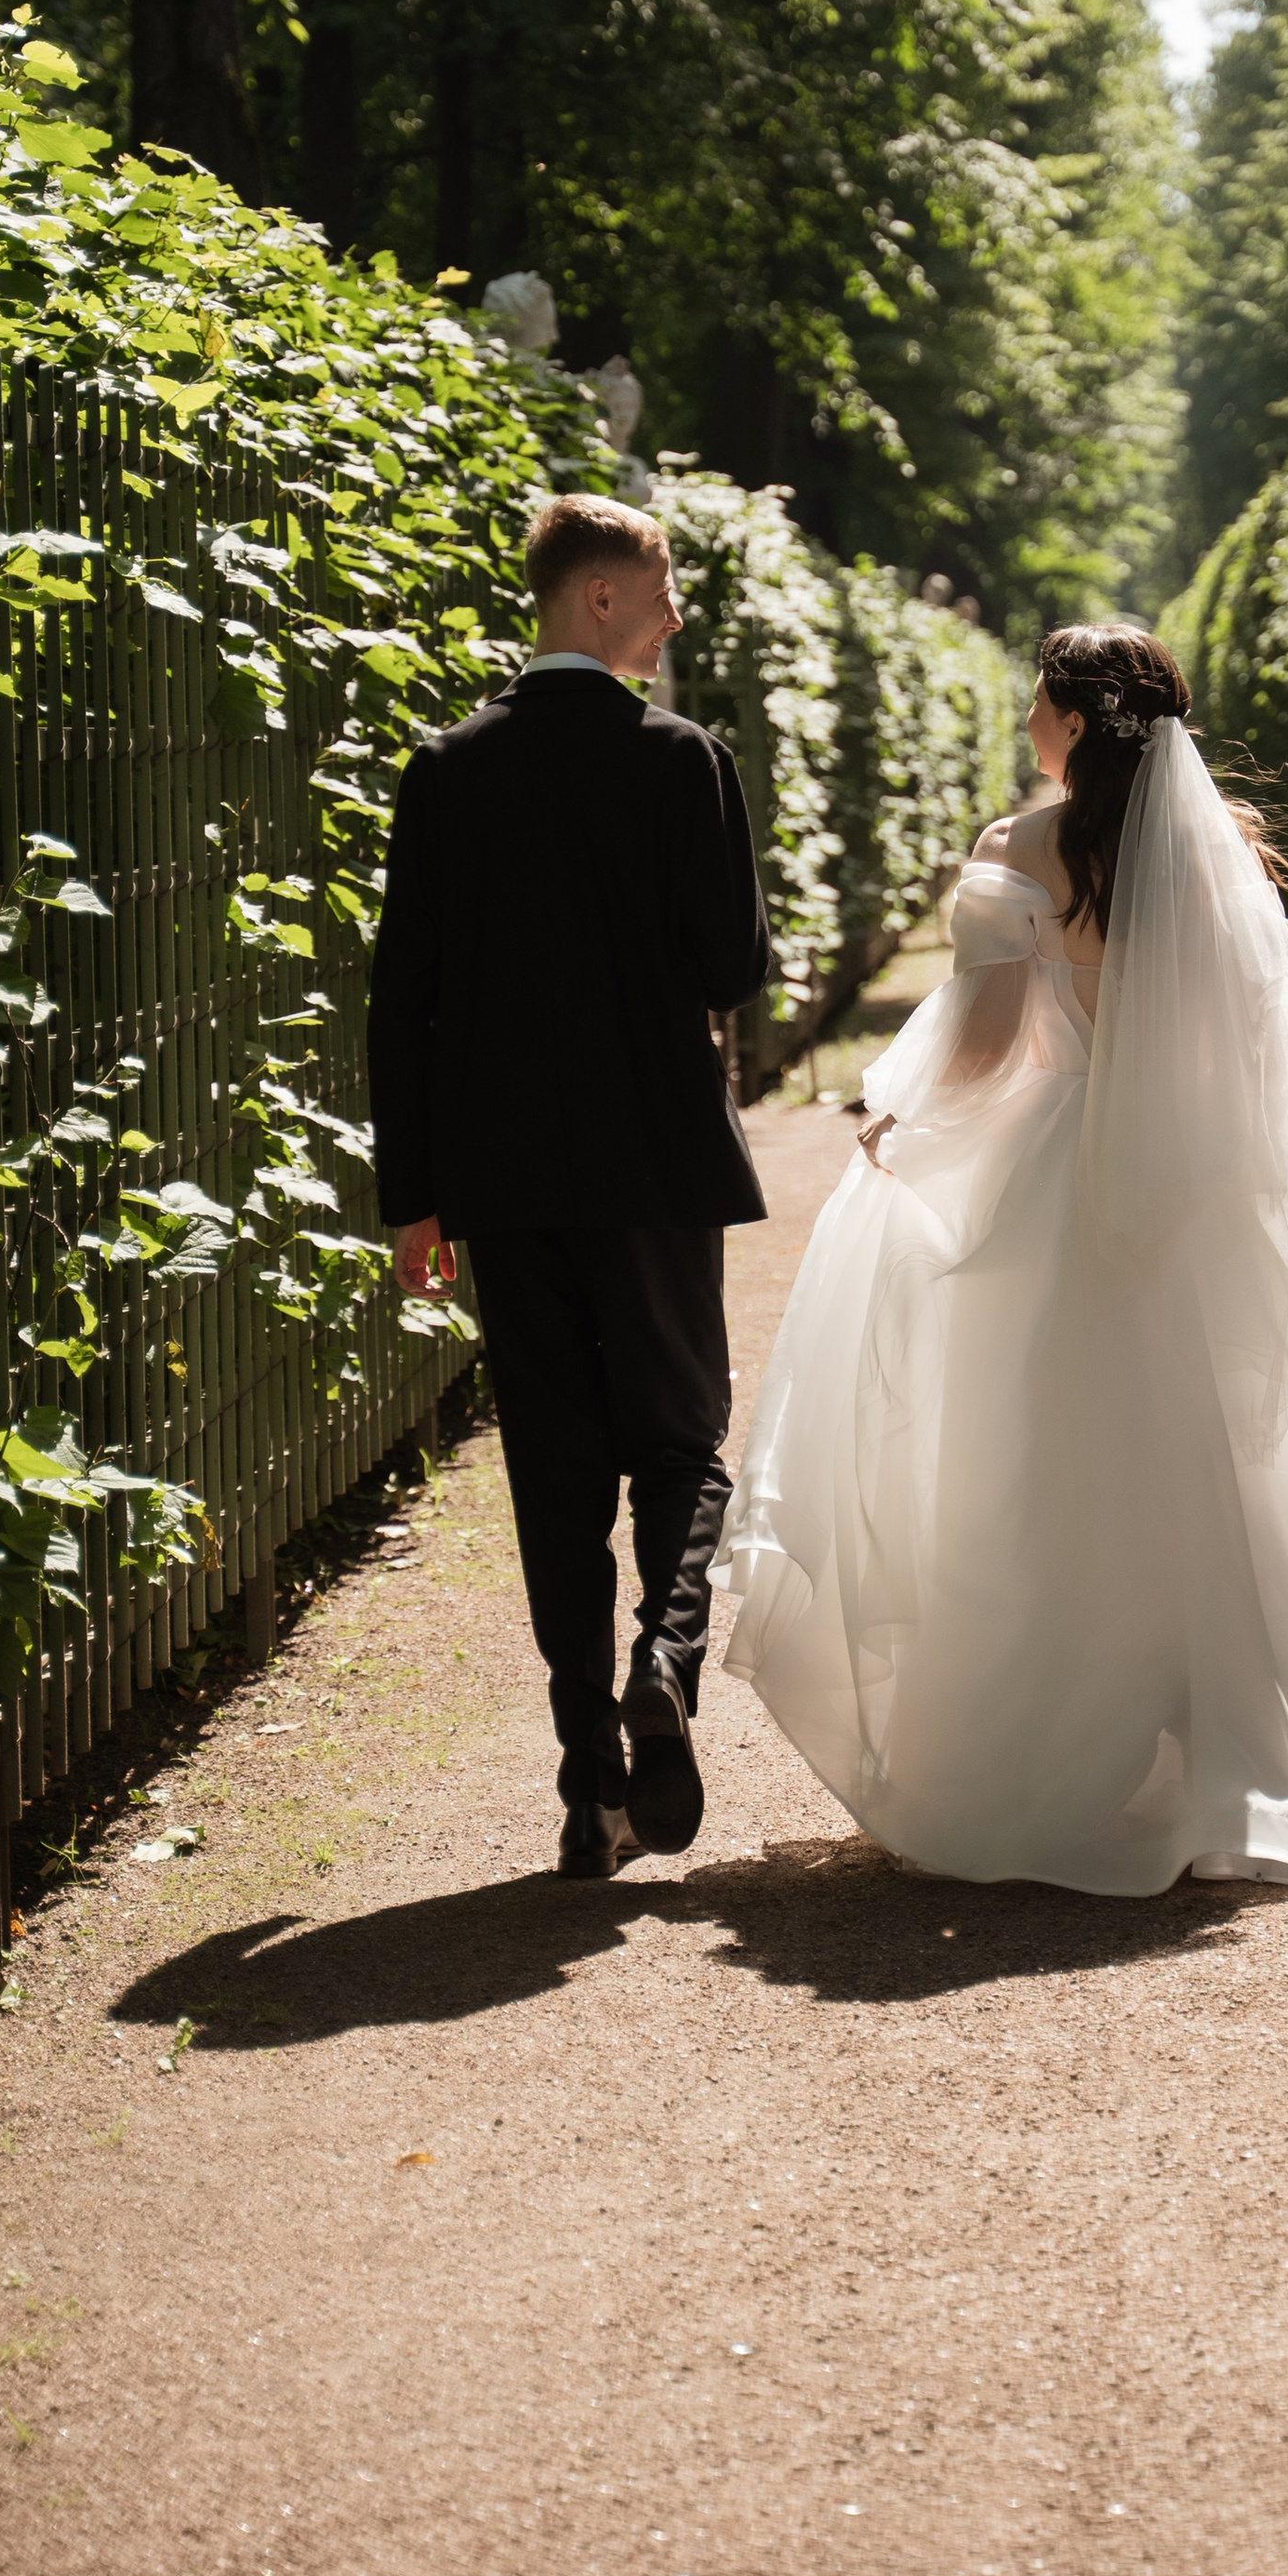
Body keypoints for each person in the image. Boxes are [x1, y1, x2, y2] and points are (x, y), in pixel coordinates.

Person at [713, 623, 1288, 1892]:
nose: (1029, 720)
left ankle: (1057, 1756)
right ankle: (1278, 1758)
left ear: (1077, 723)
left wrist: (899, 1122)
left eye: (1040, 702)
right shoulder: (1224, 856)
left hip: (1061, 1179)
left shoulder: (1014, 852)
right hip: (1201, 1191)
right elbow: (1254, 1047)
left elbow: (981, 1049)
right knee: (1225, 1467)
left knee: (1048, 1463)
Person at [368, 495, 772, 1879]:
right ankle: (665, 1660)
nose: (674, 615)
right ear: (597, 599)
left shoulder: (446, 768)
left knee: (553, 1473)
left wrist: (414, 1194)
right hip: (656, 1162)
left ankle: (587, 1783)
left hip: (506, 1176)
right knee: (680, 1443)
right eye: (660, 590)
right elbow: (730, 971)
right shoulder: (684, 762)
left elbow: (401, 998)